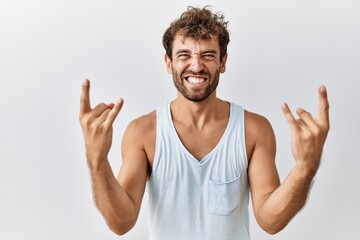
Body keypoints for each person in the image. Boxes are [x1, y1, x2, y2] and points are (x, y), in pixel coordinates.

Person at [79, 6, 330, 240]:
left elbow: (270, 221)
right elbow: (121, 222)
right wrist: (96, 159)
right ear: (169, 63)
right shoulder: (143, 132)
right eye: (184, 55)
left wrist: (306, 166)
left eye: (208, 55)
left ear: (223, 62)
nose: (196, 66)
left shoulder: (253, 129)